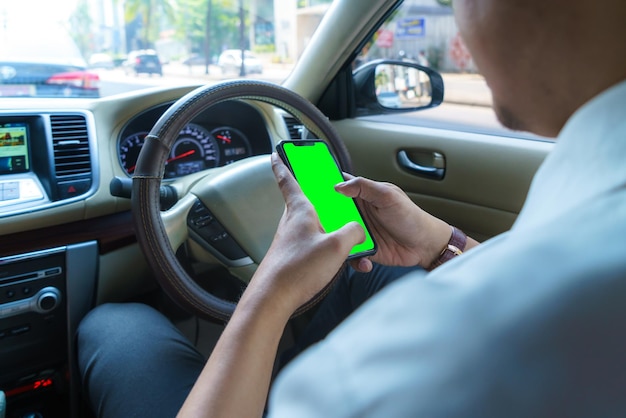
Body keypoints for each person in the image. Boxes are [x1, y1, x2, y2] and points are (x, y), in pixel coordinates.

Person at [78, 0, 626, 417]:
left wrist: (271, 291)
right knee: (360, 276)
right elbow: (517, 275)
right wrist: (440, 244)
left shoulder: (435, 351)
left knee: (116, 324)